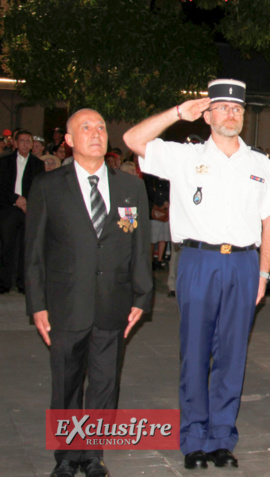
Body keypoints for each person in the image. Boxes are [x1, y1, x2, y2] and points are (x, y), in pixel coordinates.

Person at [123, 79, 270, 469]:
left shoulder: (260, 164)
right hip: (199, 261)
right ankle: (194, 438)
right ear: (208, 115)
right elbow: (132, 139)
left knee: (232, 355)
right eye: (223, 107)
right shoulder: (184, 155)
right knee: (195, 352)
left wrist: (264, 275)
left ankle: (222, 438)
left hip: (244, 264)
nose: (231, 114)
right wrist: (178, 113)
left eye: (237, 108)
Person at [25, 108, 153, 477]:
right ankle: (67, 456)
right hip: (65, 303)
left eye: (100, 127)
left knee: (104, 383)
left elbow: (139, 246)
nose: (95, 133)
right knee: (66, 383)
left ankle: (94, 454)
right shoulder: (48, 186)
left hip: (114, 302)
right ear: (68, 140)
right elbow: (34, 252)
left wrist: (141, 296)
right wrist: (37, 305)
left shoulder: (130, 187)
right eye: (85, 128)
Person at [0, 129, 44, 294]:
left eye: (28, 141)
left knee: (27, 248)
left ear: (32, 144)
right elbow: (1, 186)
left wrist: (27, 203)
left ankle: (23, 283)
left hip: (28, 209)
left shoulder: (37, 164)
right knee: (6, 246)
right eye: (22, 141)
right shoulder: (4, 161)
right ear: (15, 143)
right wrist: (16, 199)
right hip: (8, 208)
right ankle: (4, 282)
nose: (25, 144)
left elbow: (39, 189)